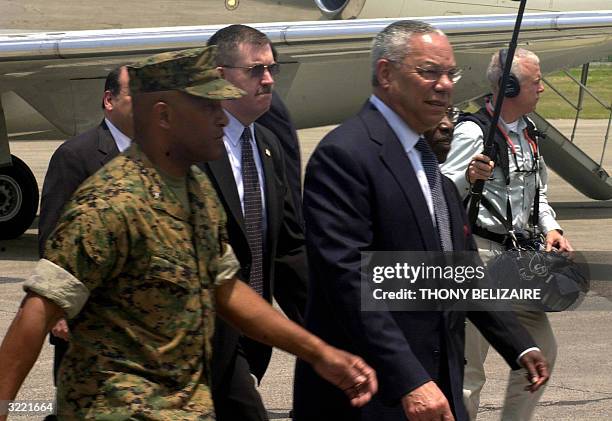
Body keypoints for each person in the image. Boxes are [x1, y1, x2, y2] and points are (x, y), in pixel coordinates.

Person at [0, 46, 377, 420]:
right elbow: (36, 312)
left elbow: (227, 290)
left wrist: (319, 353)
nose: (221, 119)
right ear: (163, 116)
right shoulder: (111, 204)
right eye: (208, 107)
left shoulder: (195, 189)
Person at [293, 20, 549, 421]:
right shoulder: (346, 155)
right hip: (375, 394)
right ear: (386, 74)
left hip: (438, 384)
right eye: (429, 72)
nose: (445, 85)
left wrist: (518, 345)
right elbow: (349, 279)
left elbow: (461, 273)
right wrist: (409, 378)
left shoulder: (428, 161)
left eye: (451, 73)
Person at [441, 48, 572, 421]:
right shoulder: (472, 132)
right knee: (469, 369)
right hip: (479, 258)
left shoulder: (529, 133)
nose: (542, 89)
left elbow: (538, 195)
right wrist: (467, 176)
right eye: (536, 81)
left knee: (541, 351)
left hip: (517, 264)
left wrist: (552, 228)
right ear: (510, 86)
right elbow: (437, 191)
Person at [203, 24, 308, 421]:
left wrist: (324, 324)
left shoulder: (268, 145)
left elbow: (289, 249)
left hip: (253, 337)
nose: (267, 80)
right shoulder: (188, 146)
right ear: (219, 77)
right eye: (255, 70)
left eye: (271, 70)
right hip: (204, 338)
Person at [37, 65, 133, 391]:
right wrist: (58, 310)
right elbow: (52, 238)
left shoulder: (160, 155)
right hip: (86, 326)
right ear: (109, 100)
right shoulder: (75, 156)